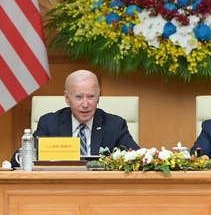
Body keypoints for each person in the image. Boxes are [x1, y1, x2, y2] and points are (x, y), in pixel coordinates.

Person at [10, 70, 139, 167]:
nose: (85, 104)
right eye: (78, 97)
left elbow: (137, 158)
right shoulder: (49, 124)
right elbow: (18, 161)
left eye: (91, 96)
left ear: (99, 96)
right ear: (67, 98)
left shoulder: (115, 125)